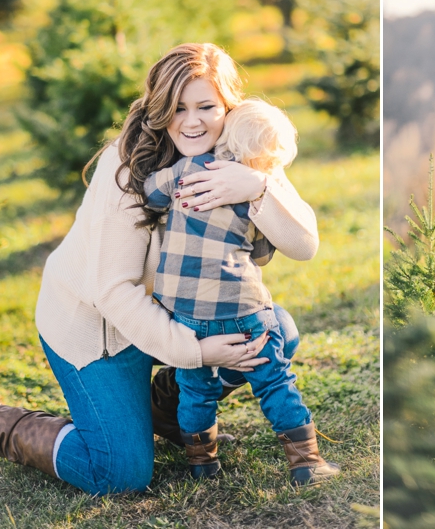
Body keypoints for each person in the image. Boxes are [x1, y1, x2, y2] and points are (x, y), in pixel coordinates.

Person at [0, 43, 321, 495]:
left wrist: (257, 187)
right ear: (160, 108)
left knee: (279, 330)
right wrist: (196, 353)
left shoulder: (241, 148)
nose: (193, 121)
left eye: (206, 107)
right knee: (120, 474)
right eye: (178, 108)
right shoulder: (127, 164)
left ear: (227, 107)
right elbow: (112, 290)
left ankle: (165, 413)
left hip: (181, 311)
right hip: (99, 324)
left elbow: (304, 245)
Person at [144, 98, 339, 484]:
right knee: (275, 381)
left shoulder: (184, 169)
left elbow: (151, 193)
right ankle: (307, 463)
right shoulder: (249, 193)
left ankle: (202, 464)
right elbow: (263, 255)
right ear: (264, 159)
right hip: (243, 311)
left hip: (185, 315)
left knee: (195, 388)